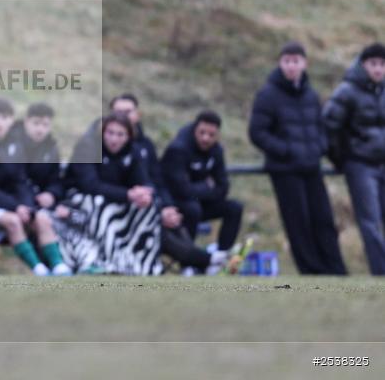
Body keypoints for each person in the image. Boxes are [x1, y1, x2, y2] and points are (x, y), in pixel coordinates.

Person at [249, 41, 346, 275]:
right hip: (285, 170)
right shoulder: (267, 95)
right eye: (287, 61)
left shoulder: (311, 95)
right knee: (298, 223)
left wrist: (319, 148)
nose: (291, 66)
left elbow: (320, 127)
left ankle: (336, 270)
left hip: (311, 167)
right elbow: (257, 132)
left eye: (296, 61)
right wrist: (285, 150)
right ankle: (312, 271)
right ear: (280, 63)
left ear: (305, 63)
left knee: (323, 220)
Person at [109, 94, 229, 274]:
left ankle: (196, 264)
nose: (124, 117)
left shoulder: (145, 145)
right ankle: (206, 260)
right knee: (159, 228)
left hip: (147, 205)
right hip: (120, 210)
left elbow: (155, 181)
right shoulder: (99, 146)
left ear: (137, 114)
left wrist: (165, 207)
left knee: (176, 220)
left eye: (128, 111)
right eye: (119, 112)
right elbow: (94, 183)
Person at [0, 98, 71, 276]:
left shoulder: (14, 144)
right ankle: (39, 270)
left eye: (4, 117)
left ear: (12, 120)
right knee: (13, 221)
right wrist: (14, 206)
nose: (0, 122)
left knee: (41, 218)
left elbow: (20, 180)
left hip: (11, 204)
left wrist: (27, 207)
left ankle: (59, 266)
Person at [60, 112, 162, 275]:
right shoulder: (87, 147)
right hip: (81, 199)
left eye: (120, 134)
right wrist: (128, 194)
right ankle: (107, 261)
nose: (114, 139)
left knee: (149, 208)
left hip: (117, 199)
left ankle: (141, 264)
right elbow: (90, 185)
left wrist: (145, 193)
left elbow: (143, 180)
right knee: (102, 208)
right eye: (110, 133)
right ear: (103, 132)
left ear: (128, 136)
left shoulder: (134, 151)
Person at [323, 42, 385, 275]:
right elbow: (329, 126)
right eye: (373, 64)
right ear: (363, 65)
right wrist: (341, 159)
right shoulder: (347, 92)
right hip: (360, 165)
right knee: (370, 222)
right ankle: (381, 273)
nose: (378, 69)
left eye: (382, 64)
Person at [161, 111, 243, 253]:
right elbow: (181, 190)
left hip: (200, 202)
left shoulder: (216, 150)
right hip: (175, 205)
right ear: (195, 129)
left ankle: (221, 255)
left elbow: (223, 187)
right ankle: (189, 259)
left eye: (211, 135)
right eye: (202, 132)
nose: (206, 138)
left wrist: (200, 190)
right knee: (193, 209)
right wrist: (207, 186)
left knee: (234, 207)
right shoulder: (178, 149)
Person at [9, 103, 63, 210]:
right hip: (14, 200)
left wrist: (51, 194)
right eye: (36, 123)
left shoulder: (51, 148)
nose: (40, 129)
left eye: (45, 125)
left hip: (37, 201)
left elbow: (56, 180)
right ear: (26, 122)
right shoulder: (11, 143)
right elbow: (15, 181)